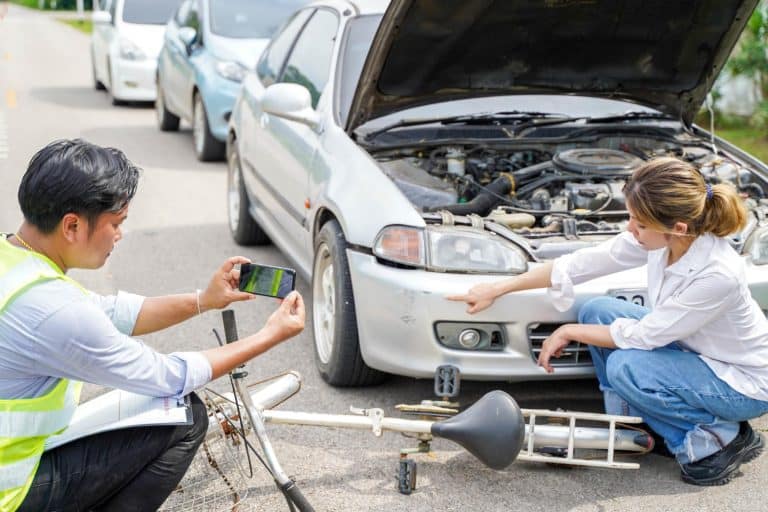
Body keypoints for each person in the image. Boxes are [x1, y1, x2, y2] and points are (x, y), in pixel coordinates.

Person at [0, 139, 306, 511]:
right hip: (10, 492)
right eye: (116, 223)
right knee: (185, 416)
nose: (120, 234)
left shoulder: (14, 258)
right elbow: (169, 377)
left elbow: (112, 312)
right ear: (72, 225)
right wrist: (270, 335)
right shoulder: (54, 310)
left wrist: (205, 299)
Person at [448, 156, 768, 486]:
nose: (630, 228)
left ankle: (718, 440)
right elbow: (579, 264)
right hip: (699, 354)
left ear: (678, 228)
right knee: (597, 311)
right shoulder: (664, 238)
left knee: (626, 367)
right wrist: (498, 288)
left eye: (638, 223)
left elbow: (645, 336)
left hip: (742, 383)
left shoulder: (717, 274)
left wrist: (568, 330)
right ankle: (635, 424)